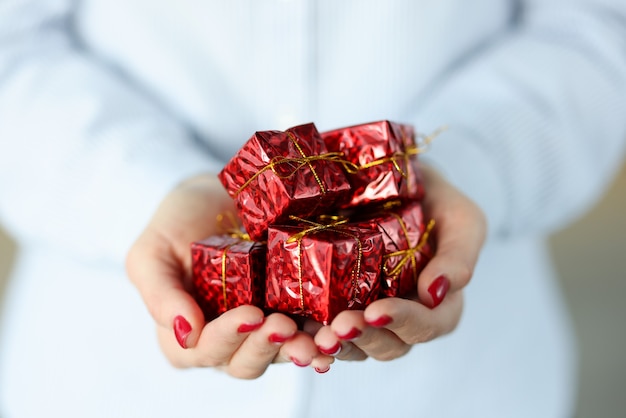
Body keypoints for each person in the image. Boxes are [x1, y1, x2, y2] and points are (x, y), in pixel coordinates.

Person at [0, 1, 625, 417]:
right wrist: (142, 192)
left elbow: (596, 34)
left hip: (465, 382)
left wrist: (470, 164)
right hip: (104, 375)